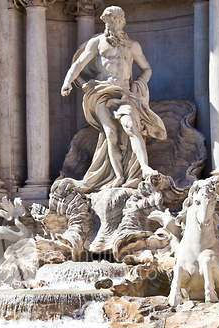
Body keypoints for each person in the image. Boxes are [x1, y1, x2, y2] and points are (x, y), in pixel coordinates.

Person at [61, 6, 166, 192]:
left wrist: (139, 82)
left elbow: (147, 69)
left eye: (117, 19)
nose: (114, 23)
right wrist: (68, 81)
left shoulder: (132, 45)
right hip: (101, 92)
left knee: (131, 126)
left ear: (122, 21)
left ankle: (145, 167)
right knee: (110, 134)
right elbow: (79, 63)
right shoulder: (97, 43)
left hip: (124, 93)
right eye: (110, 20)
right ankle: (118, 176)